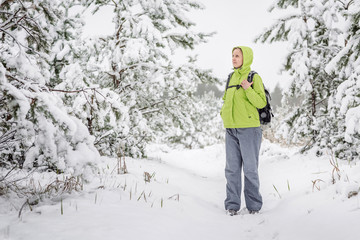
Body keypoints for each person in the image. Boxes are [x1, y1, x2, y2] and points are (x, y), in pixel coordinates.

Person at [220, 46, 267, 216]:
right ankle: (232, 206)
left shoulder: (253, 77)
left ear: (245, 58)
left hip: (249, 129)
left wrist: (247, 88)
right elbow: (225, 99)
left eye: (237, 56)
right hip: (231, 129)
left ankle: (254, 206)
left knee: (250, 169)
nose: (234, 58)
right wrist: (223, 114)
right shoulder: (230, 78)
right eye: (232, 55)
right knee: (231, 169)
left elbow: (261, 102)